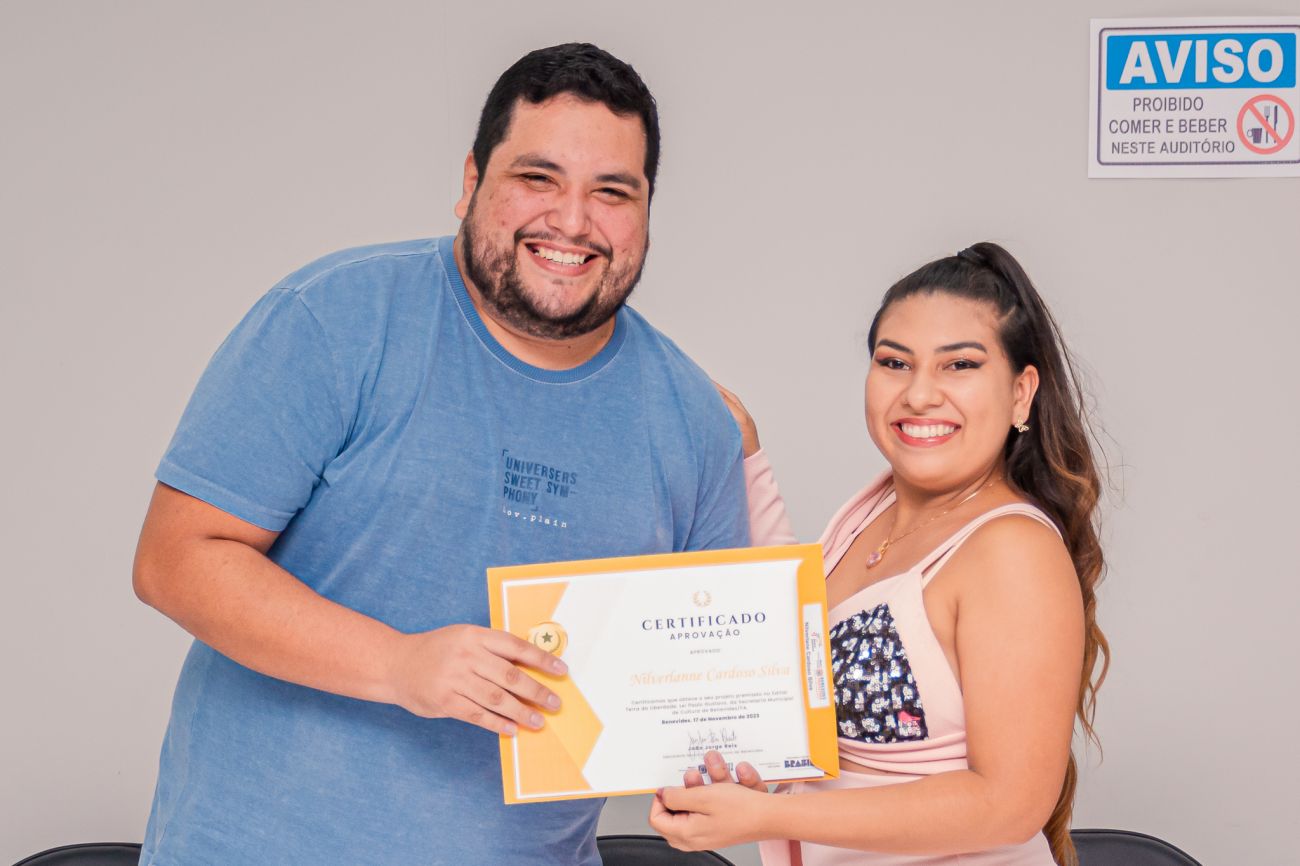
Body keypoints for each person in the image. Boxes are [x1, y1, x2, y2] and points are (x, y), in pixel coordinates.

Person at [131, 43, 750, 865]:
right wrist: (399, 665)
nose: (573, 222)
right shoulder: (336, 320)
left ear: (646, 211)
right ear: (471, 181)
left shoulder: (695, 423)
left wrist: (718, 774)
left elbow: (711, 697)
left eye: (612, 192)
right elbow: (174, 561)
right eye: (538, 178)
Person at [653, 243, 1108, 866]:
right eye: (895, 362)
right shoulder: (873, 513)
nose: (919, 394)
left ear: (1020, 393)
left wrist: (768, 815)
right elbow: (793, 627)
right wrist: (746, 457)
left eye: (959, 365)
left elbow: (1009, 802)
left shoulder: (1011, 549)